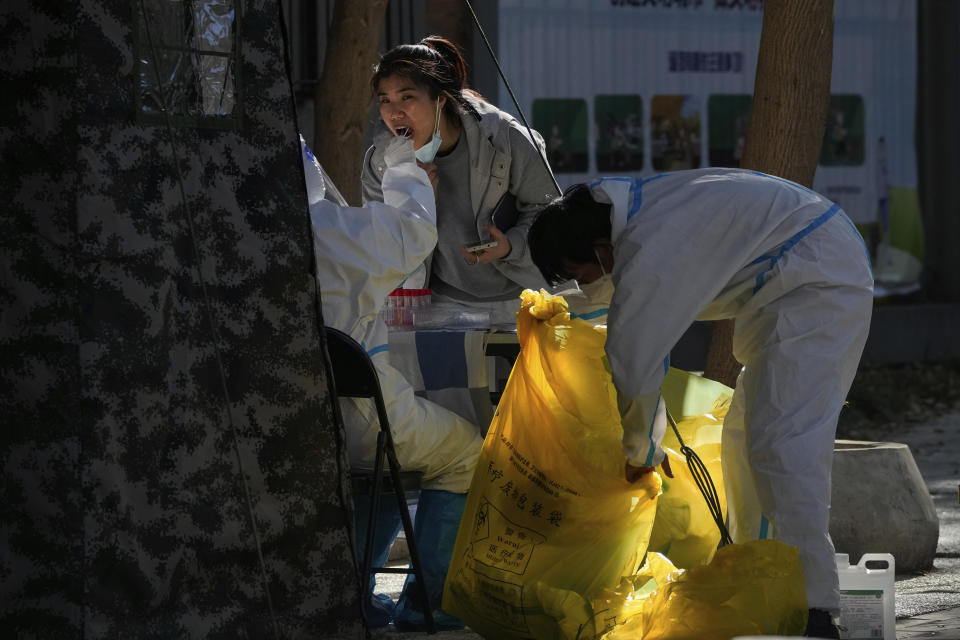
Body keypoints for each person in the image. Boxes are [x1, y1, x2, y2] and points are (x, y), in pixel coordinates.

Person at [527, 168, 874, 639]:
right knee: (745, 441)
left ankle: (811, 608)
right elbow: (628, 328)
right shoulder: (636, 219)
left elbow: (633, 359)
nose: (585, 285)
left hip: (819, 280)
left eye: (580, 273)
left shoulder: (649, 242)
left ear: (601, 249)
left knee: (783, 448)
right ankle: (763, 583)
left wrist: (642, 451)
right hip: (791, 280)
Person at [304, 134, 482, 631]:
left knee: (378, 461)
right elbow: (412, 230)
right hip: (358, 426)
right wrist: (401, 163)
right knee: (464, 451)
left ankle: (355, 594)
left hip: (286, 427)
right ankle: (429, 606)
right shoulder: (330, 230)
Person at [361, 36, 559, 327]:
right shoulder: (382, 162)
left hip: (524, 300)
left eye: (407, 97)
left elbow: (551, 214)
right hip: (440, 306)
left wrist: (511, 245)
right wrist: (411, 201)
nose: (394, 112)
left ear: (440, 99)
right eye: (385, 100)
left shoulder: (505, 138)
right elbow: (378, 244)